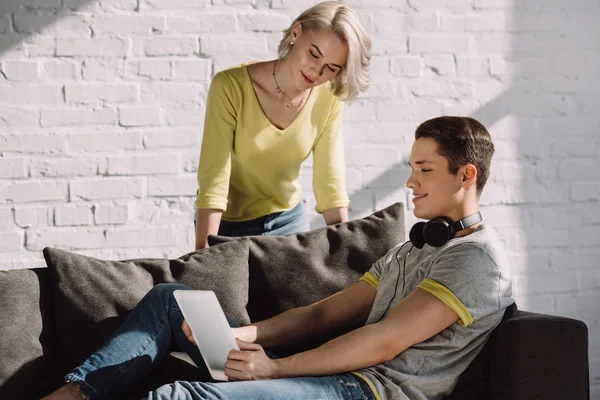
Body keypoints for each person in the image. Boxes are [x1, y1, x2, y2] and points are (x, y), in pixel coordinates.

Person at [43, 116, 514, 400]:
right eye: (411, 168)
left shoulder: (475, 260)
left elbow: (383, 343)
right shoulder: (415, 247)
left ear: (465, 174)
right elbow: (325, 313)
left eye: (424, 169)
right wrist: (235, 335)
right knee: (172, 299)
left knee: (176, 396)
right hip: (342, 375)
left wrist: (275, 367)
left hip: (366, 390)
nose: (411, 182)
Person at [193, 1, 372, 249]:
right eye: (314, 54)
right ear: (296, 33)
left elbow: (330, 183)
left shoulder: (328, 99)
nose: (316, 71)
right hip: (226, 224)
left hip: (288, 221)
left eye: (331, 68)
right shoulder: (230, 87)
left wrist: (345, 251)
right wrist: (203, 251)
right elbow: (214, 181)